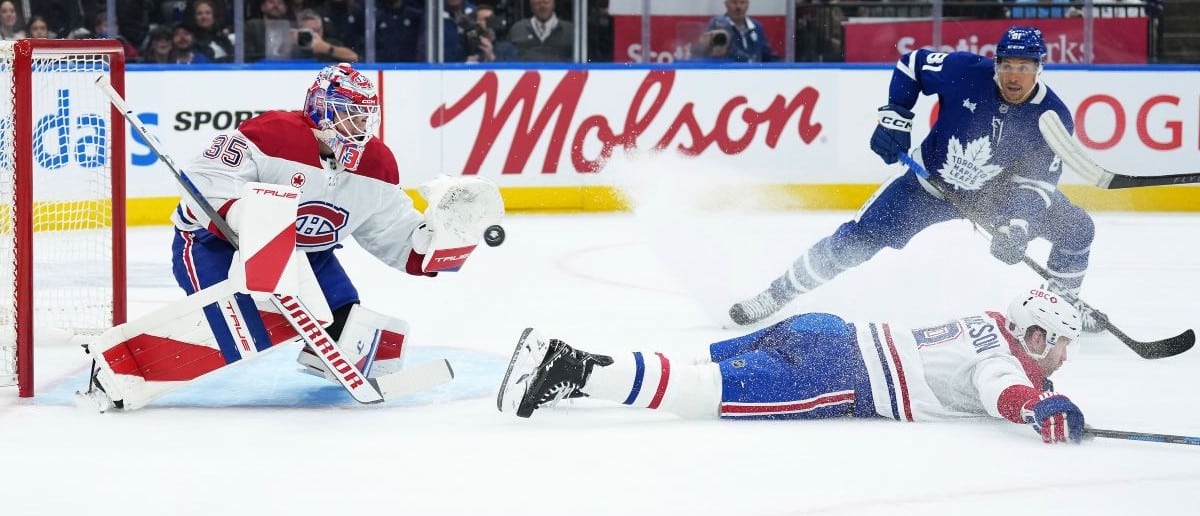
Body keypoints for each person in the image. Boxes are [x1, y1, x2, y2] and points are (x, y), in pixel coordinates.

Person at [82, 64, 499, 410]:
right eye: (347, 113)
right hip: (219, 246)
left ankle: (320, 353)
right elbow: (204, 183)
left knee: (364, 342)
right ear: (319, 110)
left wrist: (441, 237)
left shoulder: (376, 165)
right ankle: (121, 370)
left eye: (364, 115)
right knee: (236, 331)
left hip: (308, 257)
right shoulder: (270, 135)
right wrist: (251, 217)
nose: (358, 125)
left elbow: (397, 238)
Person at [728, 26, 1099, 332]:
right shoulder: (966, 71)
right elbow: (912, 64)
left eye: (1024, 66)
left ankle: (1060, 310)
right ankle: (776, 294)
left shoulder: (1052, 118)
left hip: (996, 200)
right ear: (996, 64)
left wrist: (1016, 226)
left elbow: (1035, 186)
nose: (1014, 75)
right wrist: (896, 117)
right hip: (927, 186)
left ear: (1039, 69)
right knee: (856, 239)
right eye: (1007, 65)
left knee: (1076, 228)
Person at [499, 287, 1087, 444]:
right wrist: (1041, 409)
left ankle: (594, 377)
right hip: (838, 374)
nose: (1061, 356)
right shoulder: (1002, 362)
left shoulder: (991, 319)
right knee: (702, 393)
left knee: (694, 364)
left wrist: (1040, 390)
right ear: (1032, 336)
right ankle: (571, 368)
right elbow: (1002, 392)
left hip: (824, 328)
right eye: (1057, 343)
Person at [698, 0, 780, 63]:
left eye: (742, 2)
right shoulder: (716, 24)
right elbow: (702, 53)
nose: (738, 7)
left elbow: (767, 56)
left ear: (748, 4)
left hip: (754, 77)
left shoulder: (757, 27)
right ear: (726, 4)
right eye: (734, 2)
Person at [507, 0, 573, 62]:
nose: (542, 6)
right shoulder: (517, 29)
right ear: (531, 7)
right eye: (538, 3)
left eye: (546, 2)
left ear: (554, 5)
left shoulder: (570, 31)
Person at [294, 8, 358, 62]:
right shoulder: (293, 46)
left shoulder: (331, 43)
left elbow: (354, 57)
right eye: (308, 31)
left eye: (317, 30)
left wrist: (327, 49)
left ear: (322, 29)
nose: (314, 35)